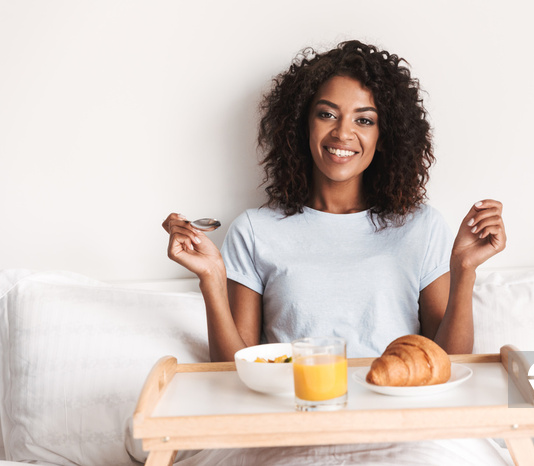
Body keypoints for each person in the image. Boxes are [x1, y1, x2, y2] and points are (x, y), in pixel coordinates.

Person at [162, 40, 506, 362]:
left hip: (393, 414)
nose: (343, 133)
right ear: (302, 124)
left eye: (364, 120)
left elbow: (449, 363)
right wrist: (211, 278)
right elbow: (238, 370)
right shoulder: (254, 230)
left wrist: (464, 270)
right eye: (327, 114)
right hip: (299, 414)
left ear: (383, 137)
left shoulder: (422, 226)